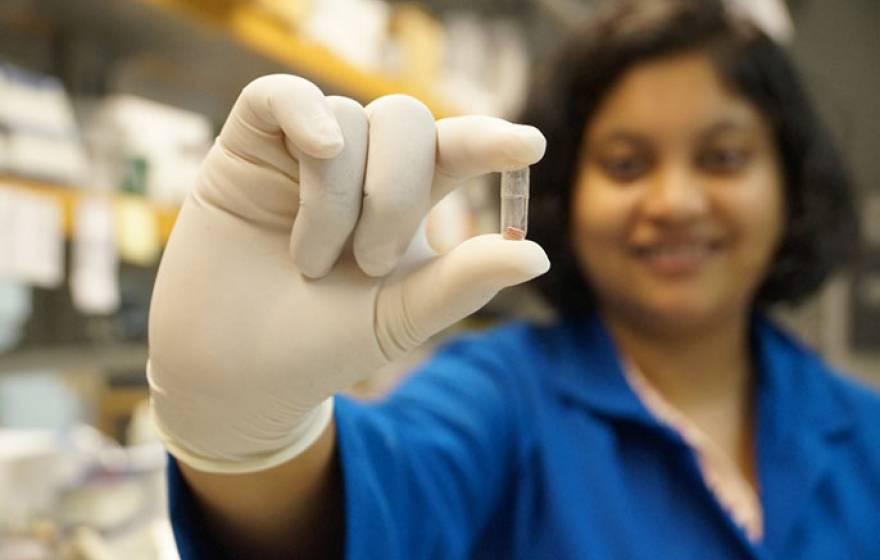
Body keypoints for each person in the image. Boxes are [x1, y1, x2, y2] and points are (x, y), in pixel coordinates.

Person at [147, 0, 880, 558]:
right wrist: (249, 450)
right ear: (567, 192)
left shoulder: (863, 426)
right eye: (625, 164)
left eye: (722, 158)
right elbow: (378, 507)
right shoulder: (494, 396)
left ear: (791, 186)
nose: (675, 203)